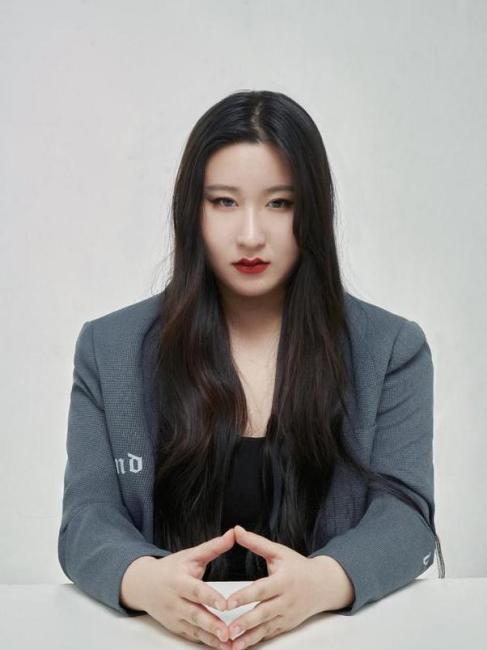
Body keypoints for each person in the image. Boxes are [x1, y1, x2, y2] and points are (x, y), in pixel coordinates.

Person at [58, 90, 445, 650]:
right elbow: (86, 518)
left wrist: (324, 582)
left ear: (313, 212)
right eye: (224, 201)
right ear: (191, 210)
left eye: (280, 203)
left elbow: (407, 520)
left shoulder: (391, 349)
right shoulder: (109, 347)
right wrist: (143, 581)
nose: (250, 235)